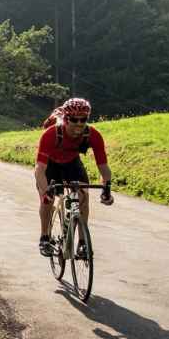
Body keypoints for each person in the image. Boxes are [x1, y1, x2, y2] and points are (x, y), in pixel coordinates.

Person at [34, 97, 114, 256]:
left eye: (83, 119)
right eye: (74, 119)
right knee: (47, 201)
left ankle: (83, 243)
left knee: (84, 194)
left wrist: (107, 189)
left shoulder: (93, 135)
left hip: (71, 163)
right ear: (65, 118)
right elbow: (40, 169)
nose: (79, 123)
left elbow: (103, 167)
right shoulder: (51, 134)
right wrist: (45, 193)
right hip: (50, 165)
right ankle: (44, 237)